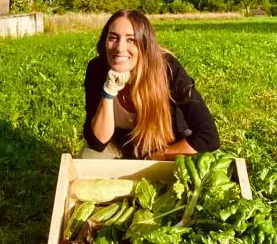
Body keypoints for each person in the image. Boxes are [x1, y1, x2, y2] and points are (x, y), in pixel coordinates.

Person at [81, 9, 220, 160]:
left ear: (145, 45)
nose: (120, 48)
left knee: (210, 157)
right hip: (119, 144)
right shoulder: (97, 69)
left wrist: (159, 156)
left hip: (166, 143)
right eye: (113, 38)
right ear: (104, 41)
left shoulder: (168, 69)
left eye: (131, 40)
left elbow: (208, 137)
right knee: (88, 156)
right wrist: (108, 94)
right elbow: (97, 142)